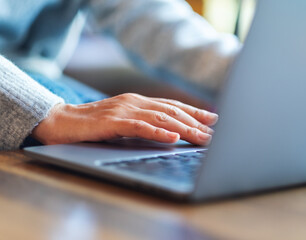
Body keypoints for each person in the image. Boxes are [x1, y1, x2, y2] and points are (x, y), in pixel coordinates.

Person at [0, 0, 241, 150]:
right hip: (23, 91)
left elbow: (143, 13)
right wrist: (44, 113)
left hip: (43, 79)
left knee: (150, 139)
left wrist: (247, 76)